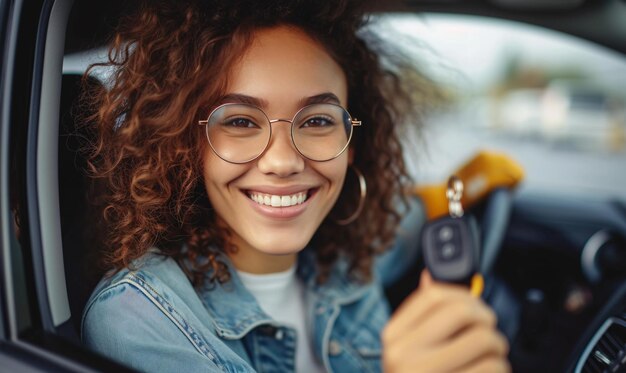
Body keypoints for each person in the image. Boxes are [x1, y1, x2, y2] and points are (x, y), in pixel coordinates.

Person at [80, 0, 510, 372]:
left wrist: (460, 188)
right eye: (241, 121)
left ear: (352, 145)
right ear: (189, 145)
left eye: (318, 120)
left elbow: (407, 222)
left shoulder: (352, 253)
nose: (283, 162)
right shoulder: (138, 316)